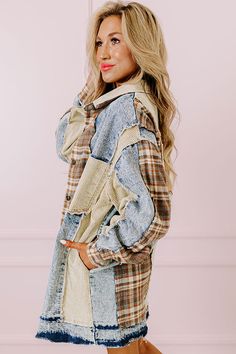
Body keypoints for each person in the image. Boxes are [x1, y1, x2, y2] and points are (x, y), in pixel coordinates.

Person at [35, 1, 178, 353]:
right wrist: (91, 86)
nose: (104, 53)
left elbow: (153, 216)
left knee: (127, 350)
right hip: (114, 270)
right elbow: (64, 144)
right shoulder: (111, 105)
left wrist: (95, 253)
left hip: (112, 270)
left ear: (139, 45)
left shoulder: (126, 112)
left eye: (116, 40)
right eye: (99, 43)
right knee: (136, 348)